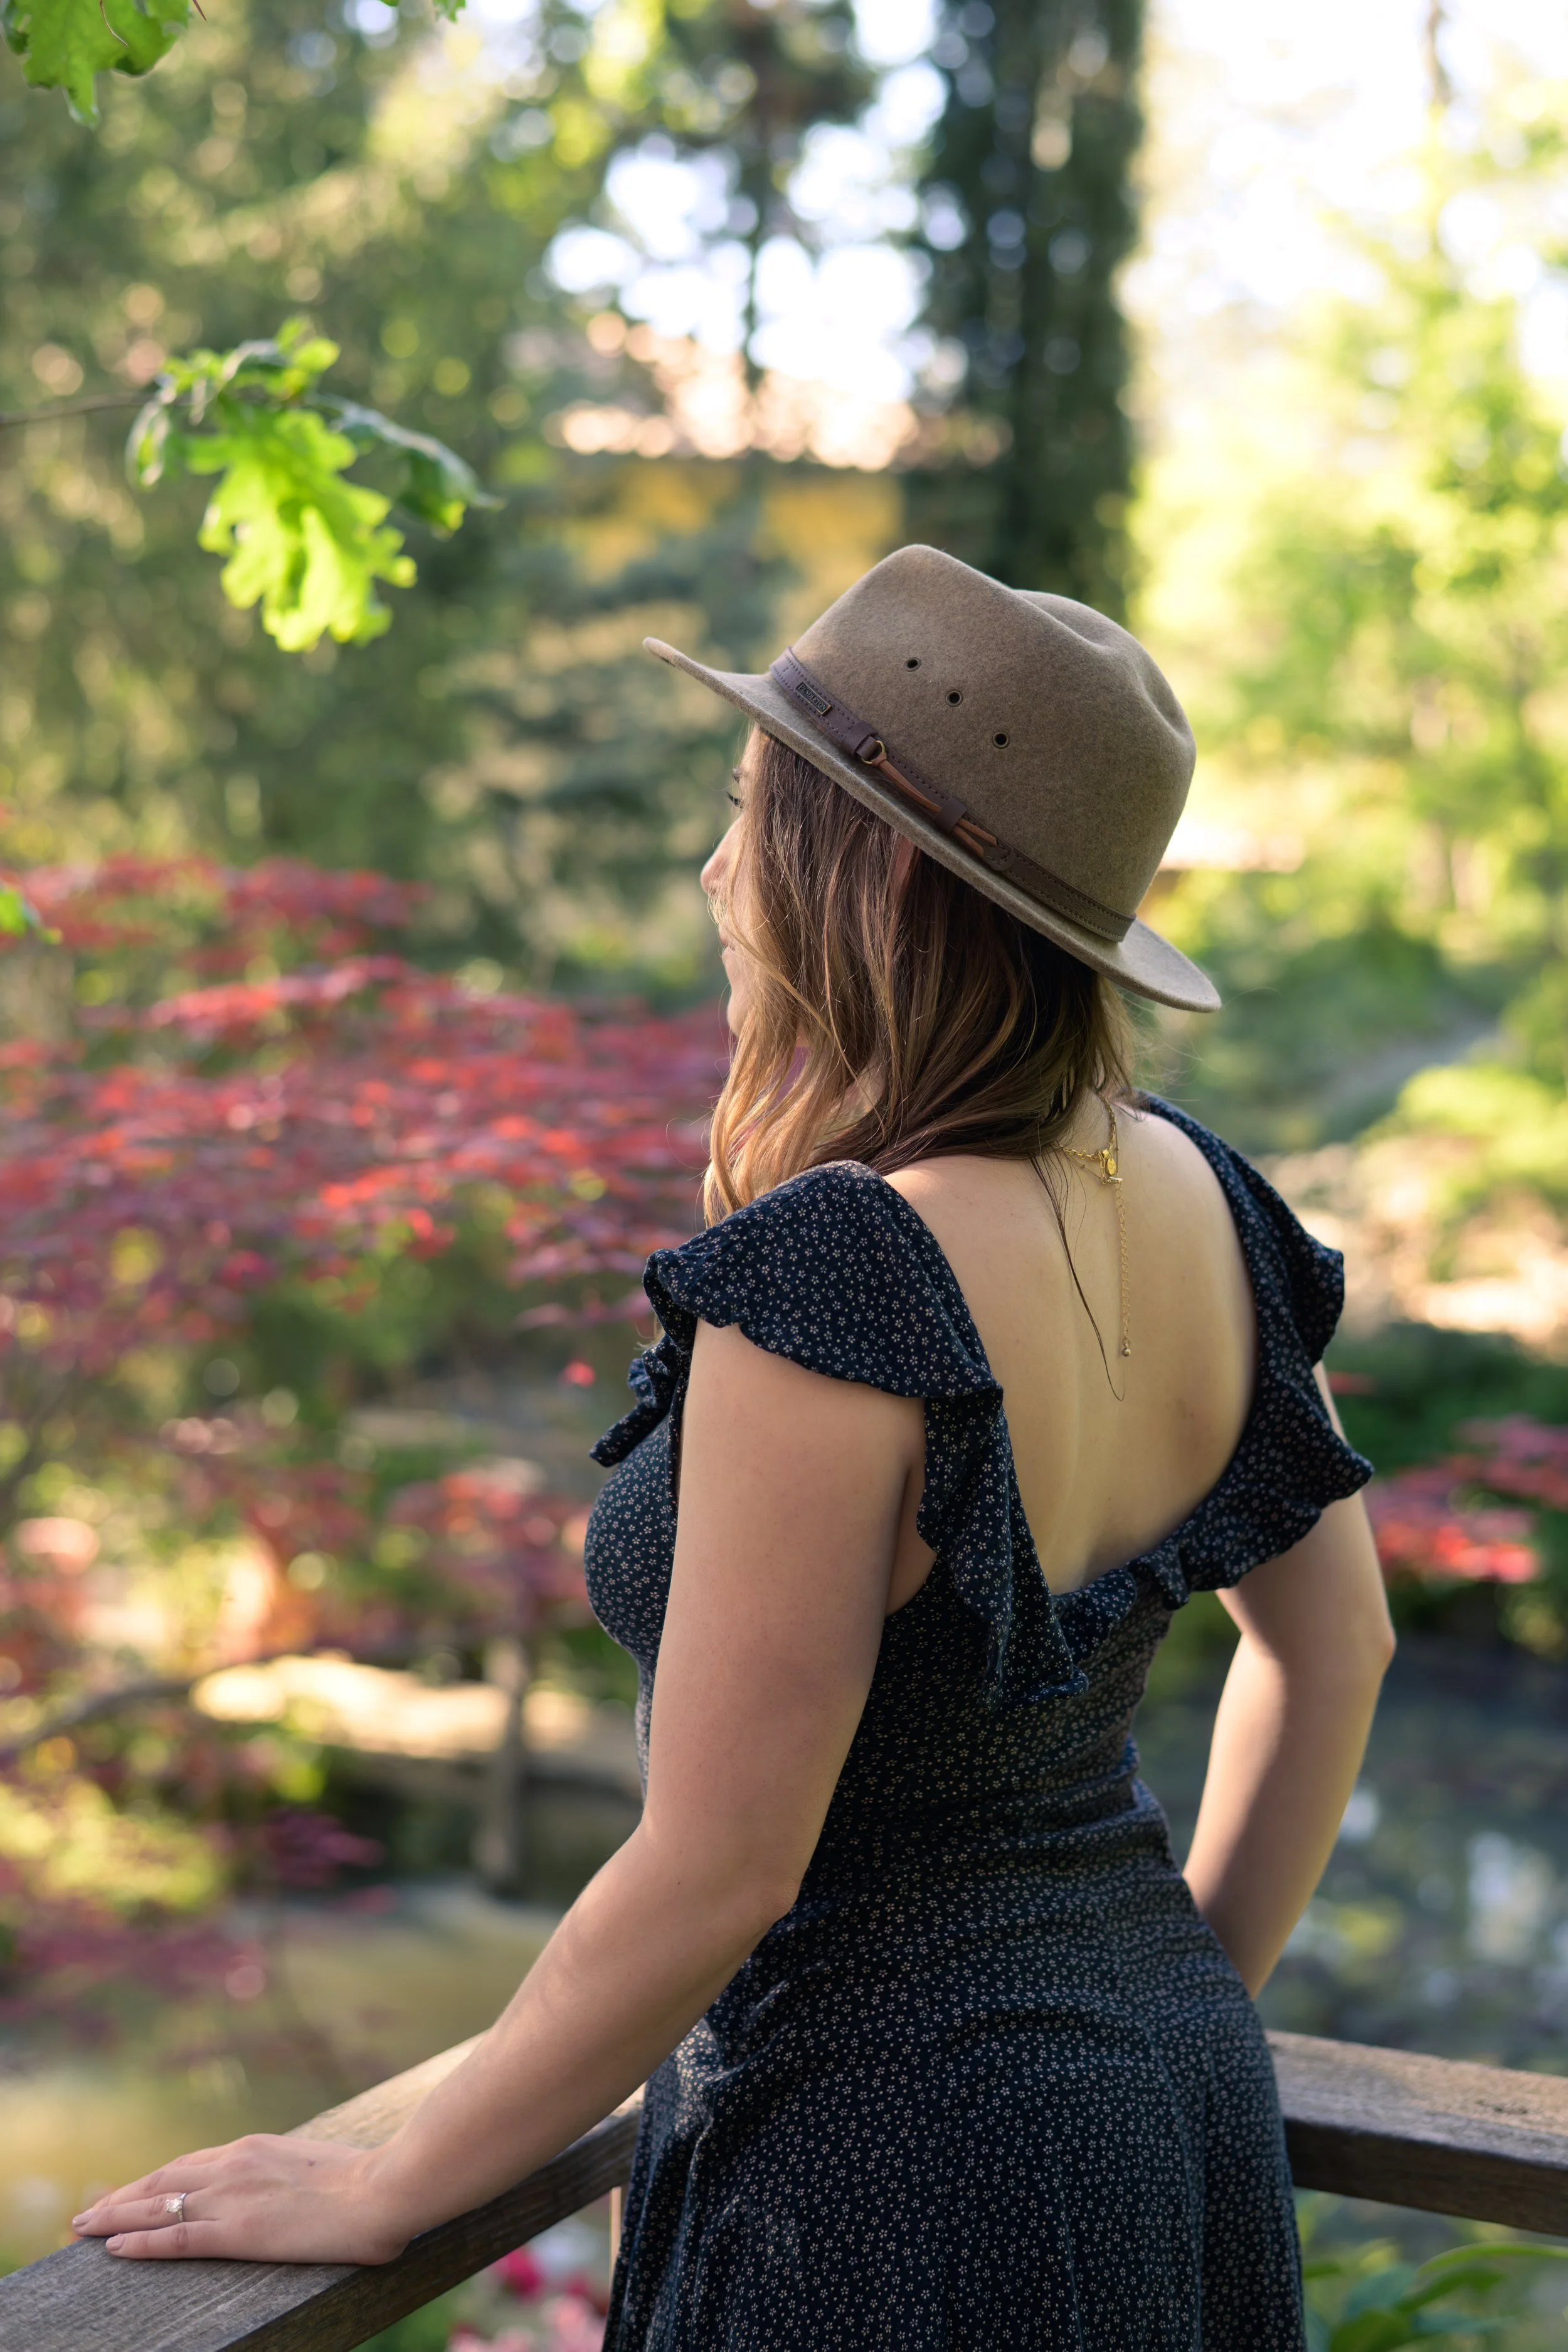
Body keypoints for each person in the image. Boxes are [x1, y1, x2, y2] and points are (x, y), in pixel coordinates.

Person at [73, 546, 1394, 2349]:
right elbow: (1337, 1654)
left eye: (746, 815)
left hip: (872, 2165)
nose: (713, 870)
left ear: (864, 878)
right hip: (1166, 2116)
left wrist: (394, 2176)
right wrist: (1161, 2011)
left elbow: (719, 1864)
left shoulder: (841, 1267)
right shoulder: (1214, 1198)